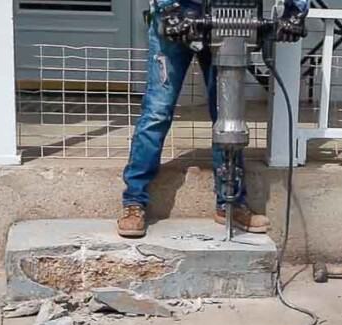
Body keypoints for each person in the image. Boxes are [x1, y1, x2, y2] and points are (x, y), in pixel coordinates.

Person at [117, 0, 309, 238]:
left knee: (229, 110)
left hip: (230, 16)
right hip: (178, 11)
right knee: (158, 111)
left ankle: (230, 203)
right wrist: (169, 7)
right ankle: (134, 201)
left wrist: (295, 10)